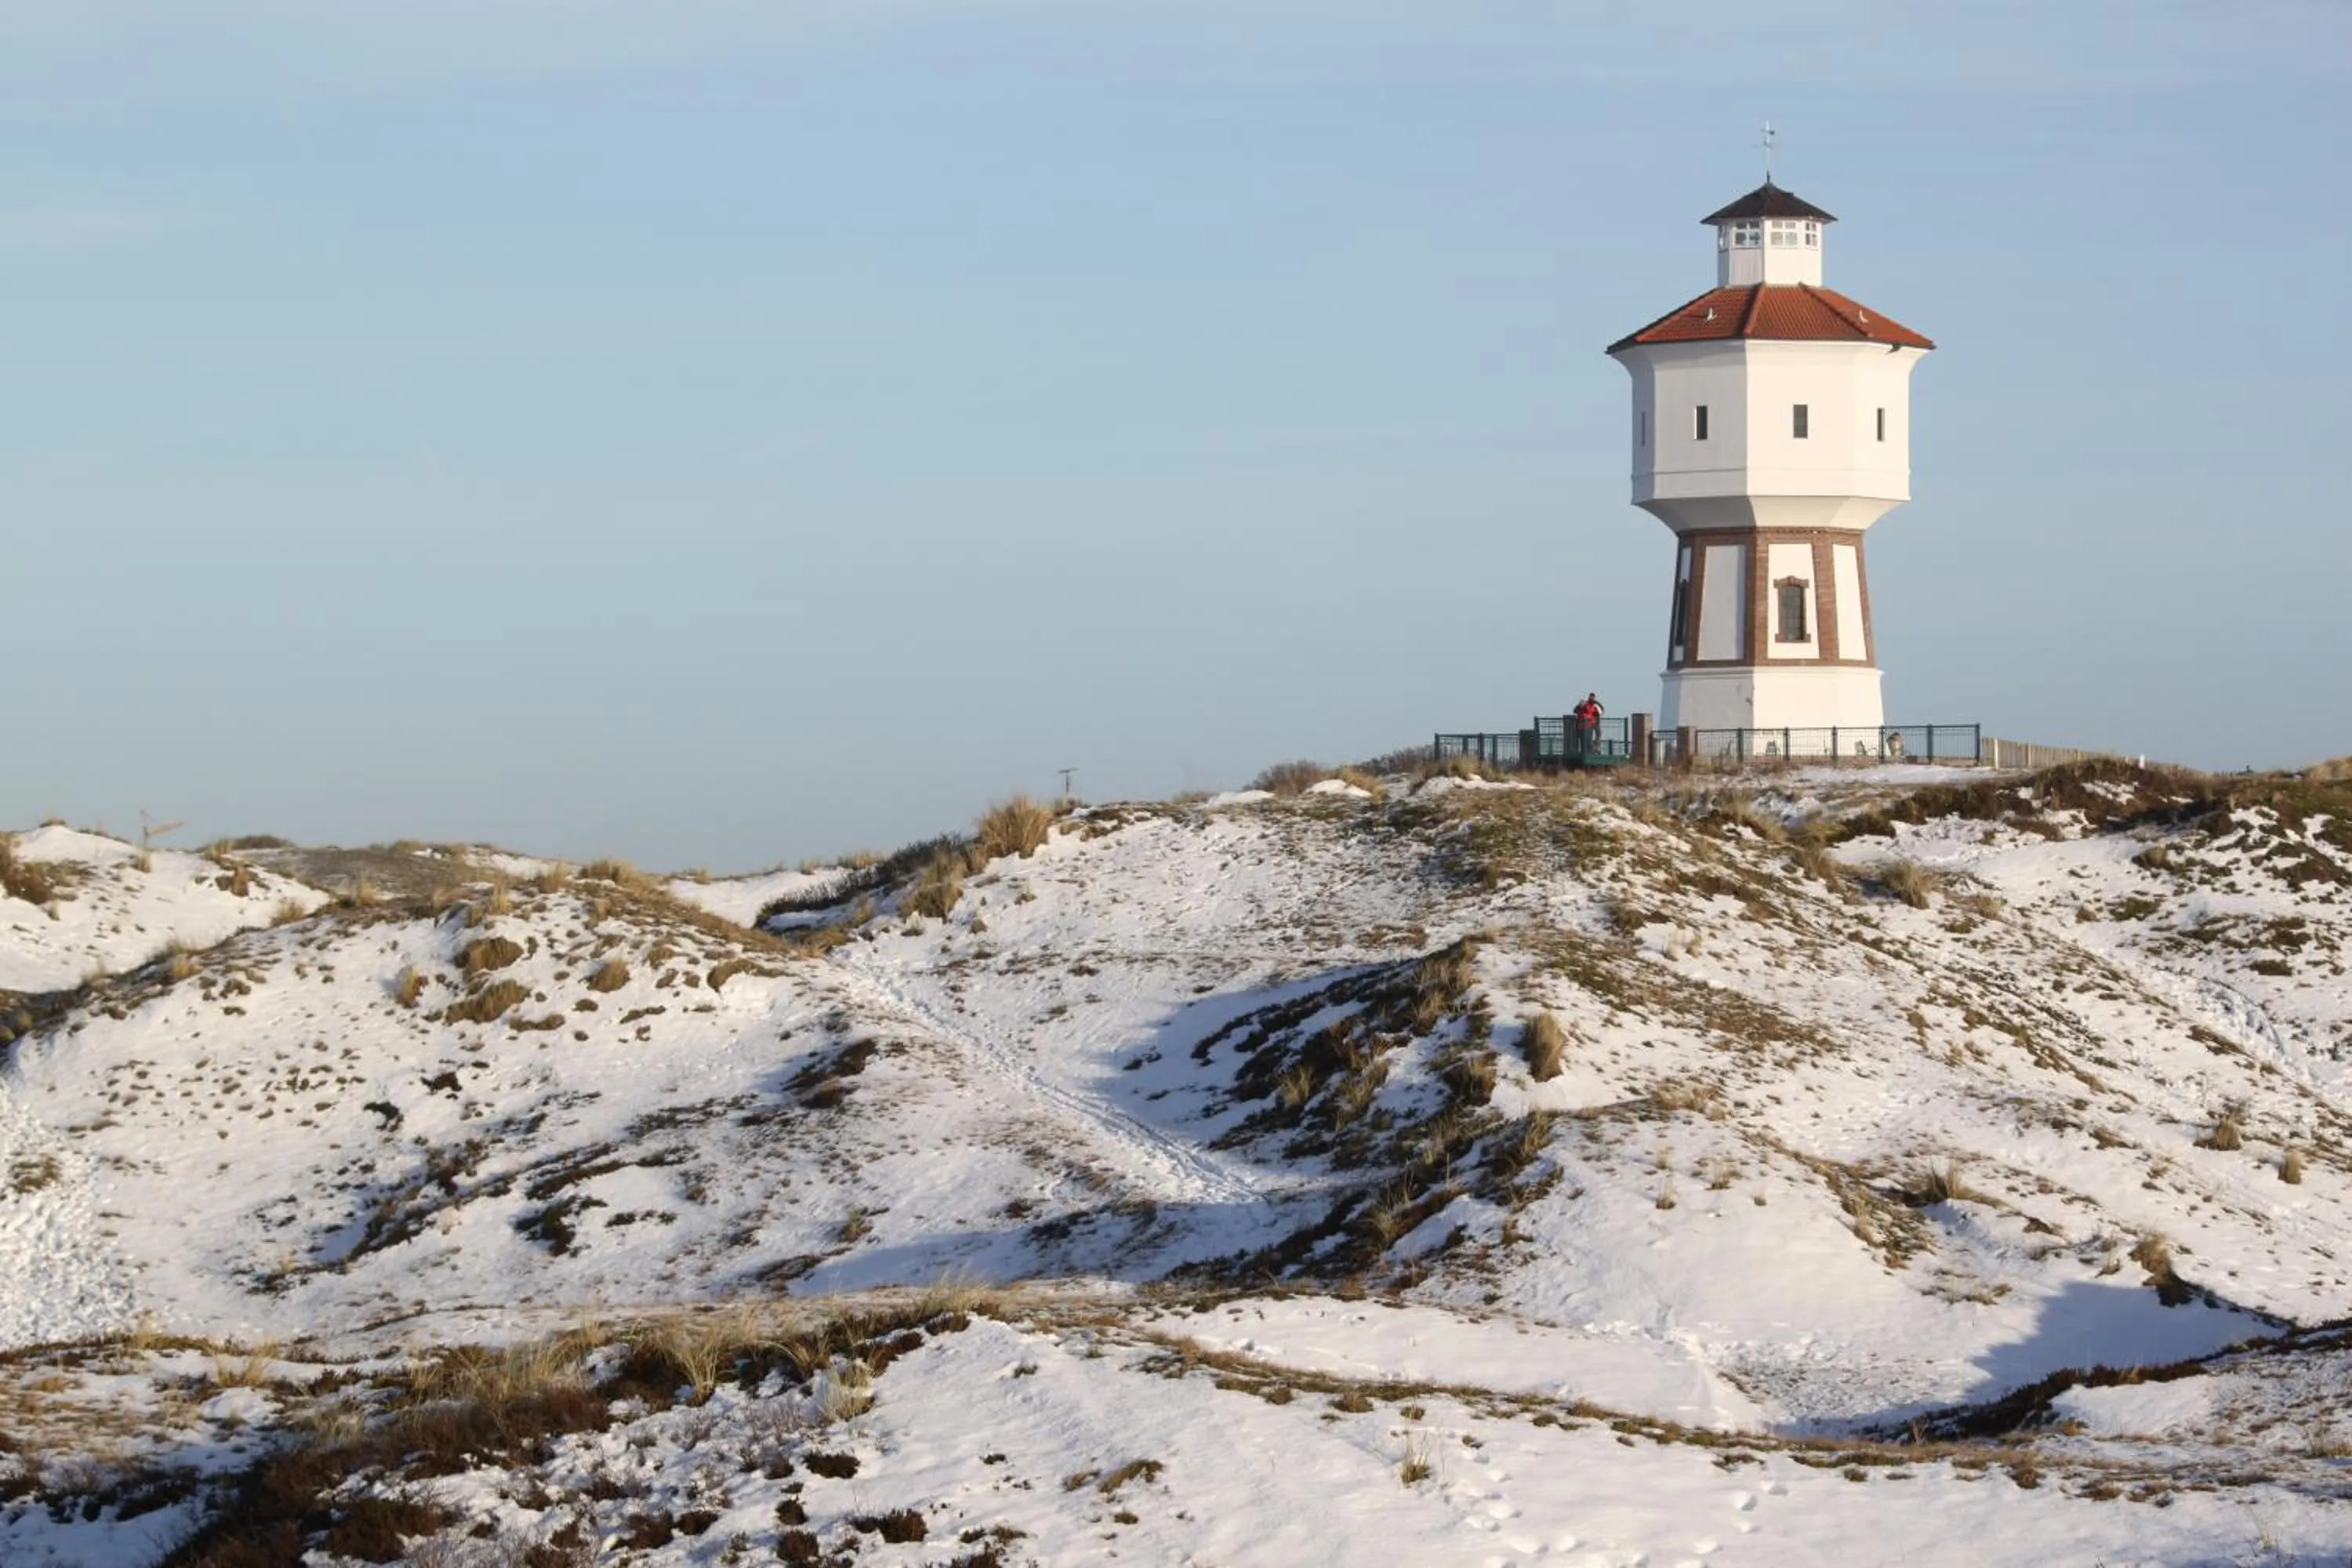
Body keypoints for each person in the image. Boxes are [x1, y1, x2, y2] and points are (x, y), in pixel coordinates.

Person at [1572, 692, 1603, 756]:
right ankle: (1592, 750)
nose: (1591, 699)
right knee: (1588, 738)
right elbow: (1576, 711)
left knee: (1597, 736)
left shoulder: (1595, 705)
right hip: (1588, 724)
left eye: (1593, 698)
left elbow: (1601, 711)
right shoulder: (1586, 704)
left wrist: (1597, 705)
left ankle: (1595, 749)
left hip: (1594, 722)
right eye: (1590, 697)